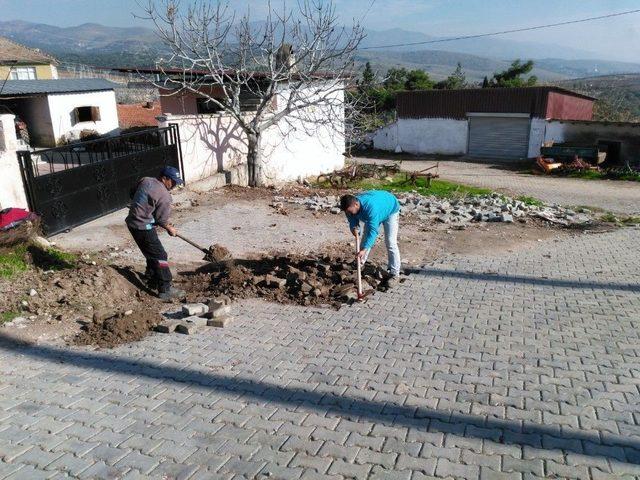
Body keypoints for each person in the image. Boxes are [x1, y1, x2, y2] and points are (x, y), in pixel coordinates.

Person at [126, 166, 185, 300]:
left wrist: (142, 207)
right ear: (164, 178)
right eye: (173, 181)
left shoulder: (146, 180)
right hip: (143, 227)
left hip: (132, 222)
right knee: (160, 256)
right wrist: (170, 228)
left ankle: (151, 278)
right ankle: (165, 289)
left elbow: (132, 192)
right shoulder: (165, 196)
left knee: (151, 253)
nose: (175, 185)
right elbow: (161, 219)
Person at [340, 190, 401, 284]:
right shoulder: (349, 207)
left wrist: (364, 250)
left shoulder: (371, 209)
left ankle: (394, 273)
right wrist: (354, 227)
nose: (348, 213)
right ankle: (359, 263)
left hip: (390, 208)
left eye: (349, 211)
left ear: (356, 204)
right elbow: (352, 219)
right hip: (379, 206)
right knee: (365, 237)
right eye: (346, 211)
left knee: (390, 242)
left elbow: (373, 232)